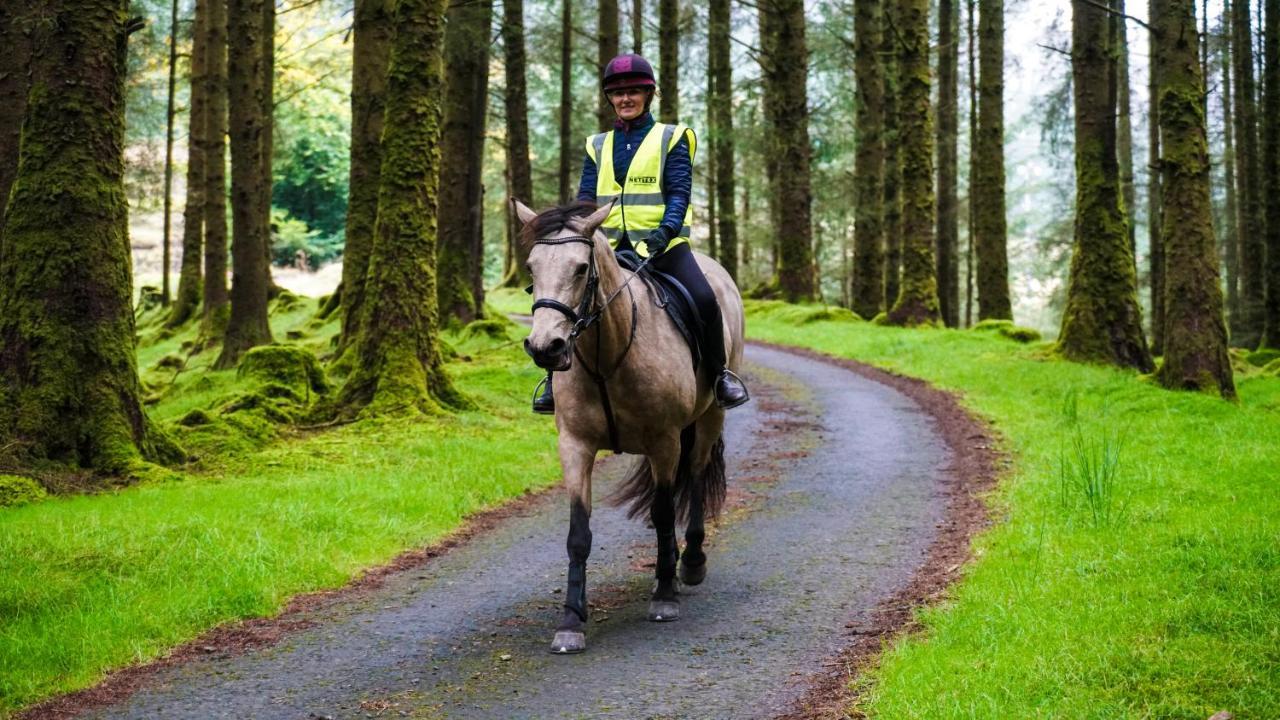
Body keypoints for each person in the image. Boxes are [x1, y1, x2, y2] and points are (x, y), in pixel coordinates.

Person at [533, 53, 750, 414]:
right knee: (560, 300)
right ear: (610, 99)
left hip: (663, 249)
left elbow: (679, 191)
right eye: (618, 94)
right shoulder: (597, 145)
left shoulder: (673, 137)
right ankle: (552, 382)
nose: (625, 99)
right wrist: (578, 232)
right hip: (608, 250)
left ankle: (719, 376)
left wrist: (665, 231)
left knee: (705, 299)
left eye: (634, 91)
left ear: (649, 95)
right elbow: (586, 198)